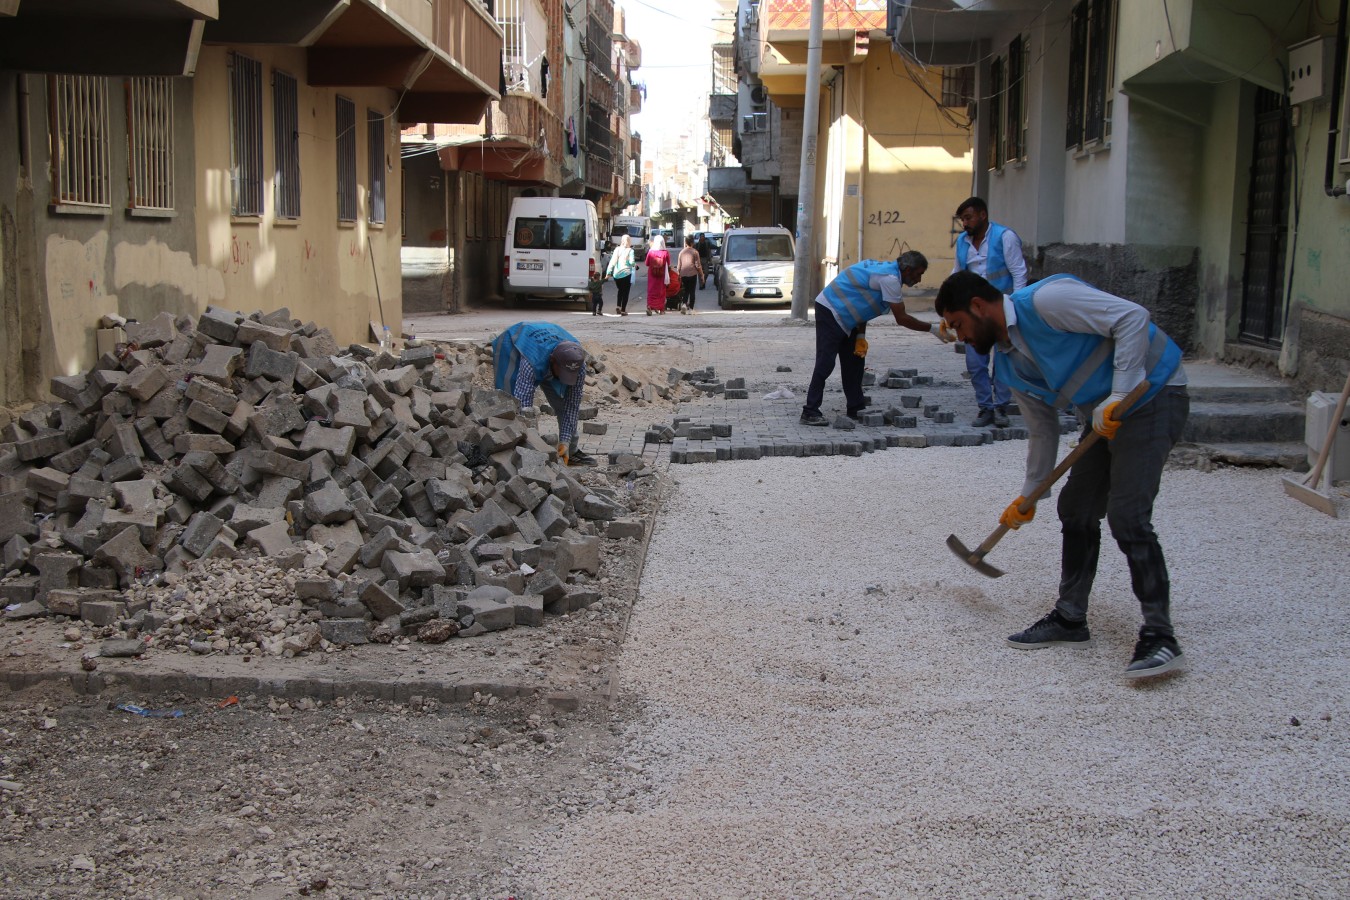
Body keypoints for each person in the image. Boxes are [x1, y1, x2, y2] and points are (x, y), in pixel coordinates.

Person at [934, 270, 1189, 679]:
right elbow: (1042, 428)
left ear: (979, 306)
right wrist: (1029, 495)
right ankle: (1071, 618)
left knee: (1128, 516)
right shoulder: (1008, 363)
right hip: (1105, 415)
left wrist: (1122, 392)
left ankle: (1161, 636)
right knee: (1076, 508)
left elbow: (1133, 317)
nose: (960, 336)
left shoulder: (1048, 301)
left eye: (959, 323)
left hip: (1152, 394)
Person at [800, 250, 954, 426]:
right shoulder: (890, 279)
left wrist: (860, 335)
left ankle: (856, 407)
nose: (919, 280)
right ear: (908, 269)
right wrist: (933, 329)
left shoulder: (888, 272)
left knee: (855, 361)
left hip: (847, 316)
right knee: (826, 362)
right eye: (919, 274)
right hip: (831, 310)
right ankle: (810, 411)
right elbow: (902, 318)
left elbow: (863, 305)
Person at [951, 196, 1028, 428]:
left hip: (1002, 307)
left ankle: (1001, 407)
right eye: (962, 219)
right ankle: (985, 407)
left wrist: (1016, 305)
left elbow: (1019, 273)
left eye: (968, 218)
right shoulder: (963, 243)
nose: (965, 223)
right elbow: (958, 274)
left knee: (1004, 359)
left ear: (982, 215)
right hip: (973, 313)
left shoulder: (1005, 238)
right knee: (975, 363)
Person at [491, 322, 598, 466]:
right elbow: (523, 403)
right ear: (552, 361)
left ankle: (570, 451)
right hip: (513, 346)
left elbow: (571, 405)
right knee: (508, 402)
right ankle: (508, 448)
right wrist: (531, 444)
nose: (563, 379)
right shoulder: (532, 362)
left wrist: (565, 441)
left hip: (550, 357)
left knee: (563, 404)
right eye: (562, 373)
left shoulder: (577, 363)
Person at [606, 234, 636, 316]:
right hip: (626, 273)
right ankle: (623, 310)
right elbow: (631, 262)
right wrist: (635, 265)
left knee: (620, 290)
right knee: (625, 292)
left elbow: (612, 262)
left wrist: (608, 273)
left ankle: (618, 306)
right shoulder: (631, 251)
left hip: (617, 275)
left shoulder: (617, 249)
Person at [676, 236, 704, 314]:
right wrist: (702, 275)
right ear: (692, 242)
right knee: (692, 291)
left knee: (686, 290)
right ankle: (691, 309)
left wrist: (678, 274)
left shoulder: (681, 252)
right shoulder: (695, 252)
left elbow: (679, 265)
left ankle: (684, 304)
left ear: (685, 242)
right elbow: (698, 265)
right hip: (692, 273)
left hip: (683, 274)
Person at [644, 234, 671, 316]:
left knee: (651, 290)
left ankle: (649, 306)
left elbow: (647, 263)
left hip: (652, 274)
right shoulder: (665, 253)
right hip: (661, 275)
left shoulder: (651, 252)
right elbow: (668, 263)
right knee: (661, 291)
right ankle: (661, 309)